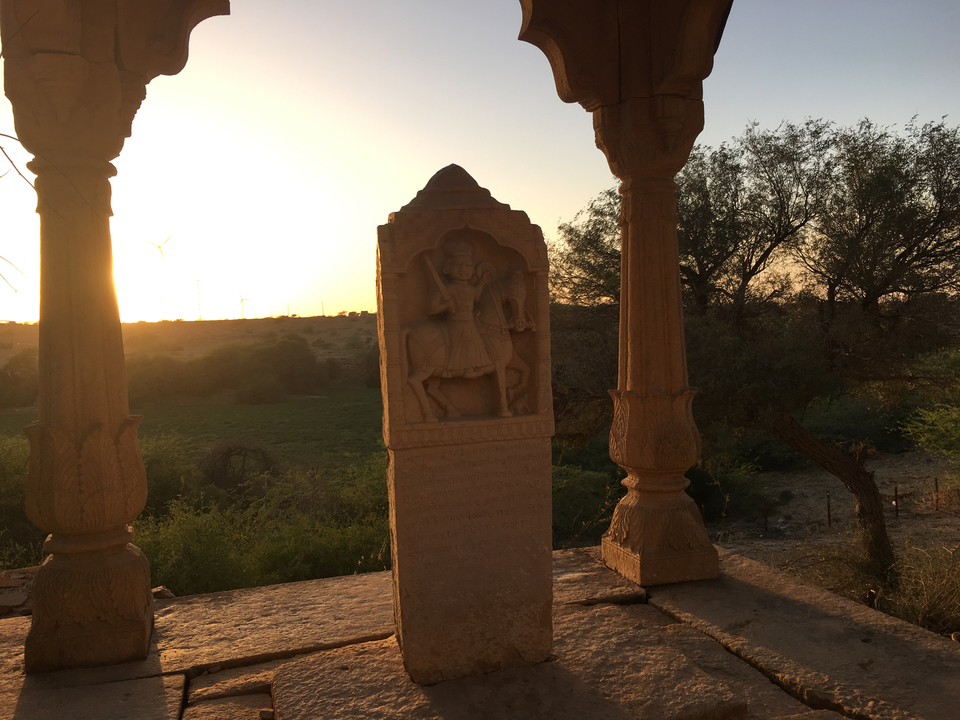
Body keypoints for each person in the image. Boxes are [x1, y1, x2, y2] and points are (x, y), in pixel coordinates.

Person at [426, 240, 495, 379]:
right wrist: (446, 306)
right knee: (458, 342)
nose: (464, 269)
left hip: (470, 323)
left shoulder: (469, 289)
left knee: (475, 343)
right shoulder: (449, 289)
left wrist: (482, 282)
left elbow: (476, 297)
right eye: (459, 265)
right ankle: (452, 368)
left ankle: (472, 367)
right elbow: (431, 309)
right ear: (447, 268)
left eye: (468, 265)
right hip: (455, 323)